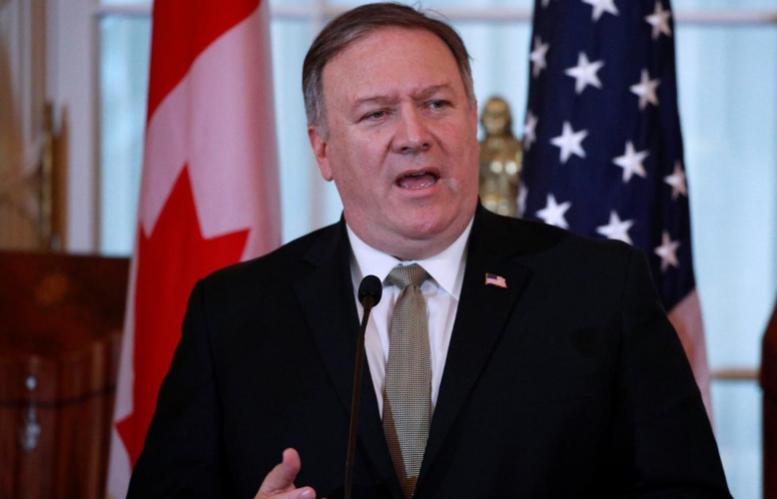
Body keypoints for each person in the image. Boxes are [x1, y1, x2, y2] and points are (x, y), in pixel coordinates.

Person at [127, 3, 731, 498]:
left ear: (472, 119)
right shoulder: (232, 314)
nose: (414, 136)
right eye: (376, 114)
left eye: (437, 104)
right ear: (323, 150)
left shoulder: (599, 289)